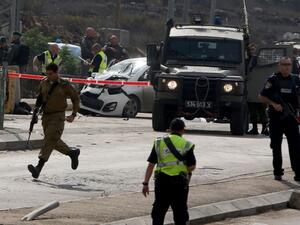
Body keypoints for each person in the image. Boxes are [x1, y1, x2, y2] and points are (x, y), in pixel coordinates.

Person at [28, 63, 80, 179]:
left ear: (57, 73)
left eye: (50, 74)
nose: (48, 76)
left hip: (58, 116)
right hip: (46, 117)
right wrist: (35, 112)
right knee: (51, 140)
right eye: (47, 74)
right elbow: (40, 98)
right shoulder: (44, 82)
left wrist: (73, 114)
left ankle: (38, 168)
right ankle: (72, 153)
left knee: (49, 140)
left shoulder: (64, 84)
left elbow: (75, 98)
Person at [142, 118, 196, 225]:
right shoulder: (186, 144)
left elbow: (151, 165)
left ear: (169, 129)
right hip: (179, 183)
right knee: (180, 212)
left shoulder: (159, 142)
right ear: (183, 130)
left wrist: (145, 183)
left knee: (159, 211)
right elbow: (192, 166)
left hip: (162, 181)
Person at [259, 57, 300, 181]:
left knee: (295, 146)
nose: (286, 67)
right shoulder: (273, 79)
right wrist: (273, 104)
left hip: (291, 117)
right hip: (276, 117)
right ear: (279, 65)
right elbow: (261, 96)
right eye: (284, 64)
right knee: (276, 145)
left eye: (288, 64)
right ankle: (277, 171)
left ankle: (298, 172)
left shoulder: (296, 79)